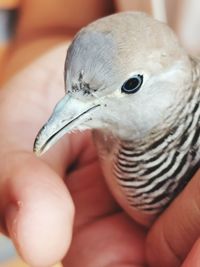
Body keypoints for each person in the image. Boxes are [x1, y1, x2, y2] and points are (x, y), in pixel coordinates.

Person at [0, 1, 200, 266]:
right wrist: (41, 45)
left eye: (131, 85)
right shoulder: (107, 139)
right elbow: (51, 24)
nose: (64, 111)